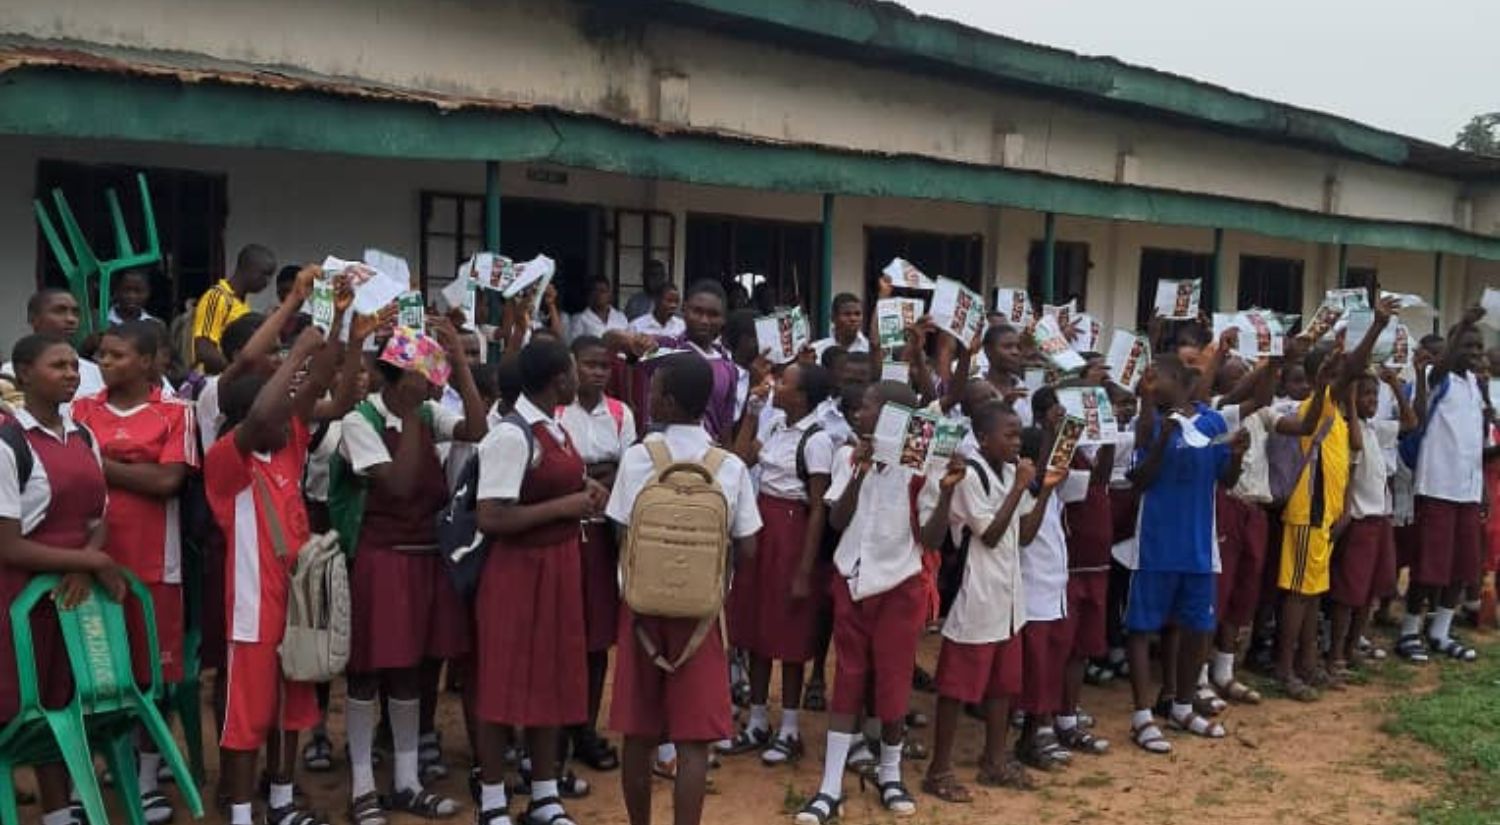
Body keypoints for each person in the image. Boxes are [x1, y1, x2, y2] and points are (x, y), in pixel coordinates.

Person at [203, 285, 356, 825]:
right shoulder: (227, 460)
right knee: (247, 719)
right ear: (246, 415)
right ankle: (243, 812)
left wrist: (343, 332)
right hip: (252, 613)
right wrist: (296, 350)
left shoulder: (288, 441)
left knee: (291, 712)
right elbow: (275, 402)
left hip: (296, 602)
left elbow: (320, 387)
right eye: (270, 397)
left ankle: (284, 802)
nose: (285, 403)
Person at [337, 317, 488, 824]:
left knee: (411, 672)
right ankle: (361, 786)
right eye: (425, 374)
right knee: (365, 674)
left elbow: (477, 429)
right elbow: (398, 485)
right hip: (383, 560)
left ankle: (405, 781)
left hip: (425, 559)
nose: (433, 382)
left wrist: (462, 366)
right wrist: (410, 418)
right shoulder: (362, 421)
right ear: (398, 379)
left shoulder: (425, 410)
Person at [605, 352, 761, 825]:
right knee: (694, 743)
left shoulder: (637, 458)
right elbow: (749, 546)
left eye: (654, 391)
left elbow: (618, 531)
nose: (648, 397)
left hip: (641, 613)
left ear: (669, 402)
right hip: (702, 616)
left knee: (639, 734)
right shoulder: (728, 465)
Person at [471, 338, 607, 825]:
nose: (580, 378)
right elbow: (491, 517)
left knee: (552, 677)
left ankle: (545, 794)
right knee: (502, 682)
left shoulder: (554, 426)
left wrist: (584, 490)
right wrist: (564, 507)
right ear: (559, 381)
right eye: (573, 372)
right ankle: (491, 801)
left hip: (558, 567)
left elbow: (554, 483)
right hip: (518, 572)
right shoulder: (512, 435)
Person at [71, 320, 198, 825]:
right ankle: (87, 783)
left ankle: (145, 781)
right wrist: (129, 470)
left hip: (154, 563)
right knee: (89, 675)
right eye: (102, 353)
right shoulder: (81, 409)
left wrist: (97, 462)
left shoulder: (176, 413)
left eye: (117, 354)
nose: (104, 362)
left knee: (151, 677)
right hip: (85, 561)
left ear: (150, 362)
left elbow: (168, 481)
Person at [795, 380, 940, 824]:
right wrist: (859, 470)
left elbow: (933, 538)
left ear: (895, 415)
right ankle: (830, 784)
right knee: (849, 680)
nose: (859, 411)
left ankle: (890, 773)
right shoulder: (847, 455)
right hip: (853, 580)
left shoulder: (922, 465)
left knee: (893, 682)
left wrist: (948, 489)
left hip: (899, 584)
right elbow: (838, 518)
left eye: (870, 406)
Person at [0, 333, 123, 825]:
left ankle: (58, 813)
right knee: (13, 705)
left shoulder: (85, 436)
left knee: (59, 706)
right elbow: (6, 545)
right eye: (58, 366)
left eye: (75, 366)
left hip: (66, 599)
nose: (72, 373)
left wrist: (82, 561)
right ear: (24, 373)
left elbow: (101, 519)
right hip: (15, 601)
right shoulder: (8, 444)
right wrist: (92, 564)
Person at [1124, 354, 1246, 754]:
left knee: (1198, 628)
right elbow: (1139, 479)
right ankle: (1142, 716)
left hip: (1198, 547)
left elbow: (1225, 478)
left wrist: (1239, 454)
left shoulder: (1210, 422)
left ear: (1176, 380)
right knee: (1142, 628)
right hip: (1155, 545)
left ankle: (1180, 704)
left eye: (1153, 377)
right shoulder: (1150, 423)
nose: (1147, 381)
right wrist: (1160, 432)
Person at [918, 402, 1033, 803]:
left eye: (1019, 434)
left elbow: (1026, 532)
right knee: (956, 686)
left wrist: (1045, 487)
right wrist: (1020, 487)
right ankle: (939, 768)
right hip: (977, 592)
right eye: (1010, 435)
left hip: (1009, 594)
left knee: (1002, 685)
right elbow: (990, 534)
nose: (1017, 442)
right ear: (983, 438)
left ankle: (994, 758)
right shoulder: (972, 476)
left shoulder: (1007, 471)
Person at [724, 363, 835, 766]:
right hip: (762, 525)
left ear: (802, 396)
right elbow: (738, 460)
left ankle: (789, 726)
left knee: (788, 630)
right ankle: (756, 720)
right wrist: (752, 413)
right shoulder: (773, 425)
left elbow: (819, 507)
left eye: (785, 381)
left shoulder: (817, 439)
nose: (776, 385)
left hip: (793, 530)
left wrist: (805, 570)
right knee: (755, 626)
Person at [556, 334, 638, 773]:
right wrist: (590, 473)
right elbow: (557, 469)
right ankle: (556, 726)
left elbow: (627, 468)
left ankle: (585, 727)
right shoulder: (555, 410)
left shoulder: (621, 413)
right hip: (562, 533)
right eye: (589, 364)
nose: (598, 372)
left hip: (604, 536)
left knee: (596, 640)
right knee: (561, 633)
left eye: (604, 366)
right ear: (571, 366)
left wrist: (586, 473)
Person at [1402, 306, 1489, 663]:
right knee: (1429, 566)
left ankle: (1441, 631)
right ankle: (1409, 631)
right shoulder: (1442, 380)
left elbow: (1475, 443)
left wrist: (1481, 488)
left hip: (1467, 491)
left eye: (1478, 348)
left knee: (1463, 566)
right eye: (1467, 346)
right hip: (1437, 487)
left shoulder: (1474, 385)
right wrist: (1464, 323)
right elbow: (1441, 367)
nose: (1473, 353)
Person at [1328, 369, 1415, 678]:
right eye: (1365, 394)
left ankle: (1352, 648)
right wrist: (1350, 401)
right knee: (1348, 592)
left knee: (1370, 592)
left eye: (1374, 396)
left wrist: (1394, 385)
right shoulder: (1344, 426)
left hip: (1380, 516)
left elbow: (1410, 423)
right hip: (1359, 518)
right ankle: (1336, 652)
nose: (1372, 401)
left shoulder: (1373, 427)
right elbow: (1354, 445)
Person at [1, 289, 105, 406]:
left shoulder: (96, 372)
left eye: (75, 312)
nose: (71, 319)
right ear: (32, 318)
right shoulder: (9, 373)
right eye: (59, 311)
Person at [193, 243, 276, 373]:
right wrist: (234, 372)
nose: (267, 282)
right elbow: (204, 349)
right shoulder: (217, 298)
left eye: (270, 276)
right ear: (248, 268)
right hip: (213, 380)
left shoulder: (241, 304)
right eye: (264, 274)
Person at [568, 277, 630, 342]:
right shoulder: (580, 319)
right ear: (590, 294)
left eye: (602, 291)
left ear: (609, 295)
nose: (598, 294)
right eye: (595, 291)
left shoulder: (620, 317)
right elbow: (574, 344)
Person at [811, 294, 869, 358]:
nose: (853, 319)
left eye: (857, 314)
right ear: (833, 317)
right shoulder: (817, 349)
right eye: (847, 314)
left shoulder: (870, 349)